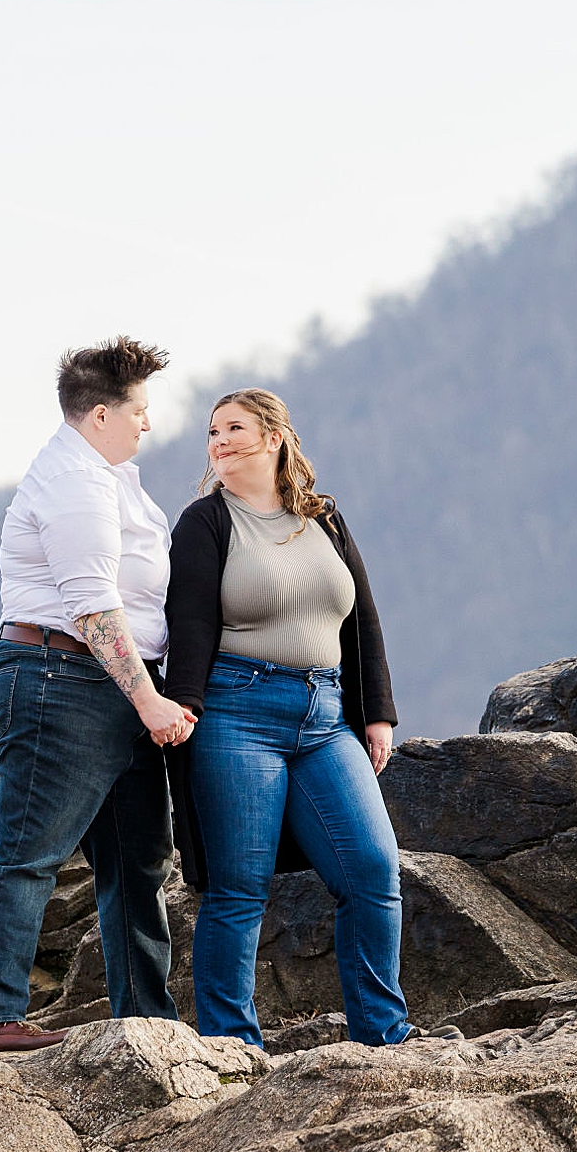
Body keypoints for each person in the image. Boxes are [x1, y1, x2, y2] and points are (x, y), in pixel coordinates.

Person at [0, 336, 197, 1053]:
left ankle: (143, 1016)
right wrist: (149, 701)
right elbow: (91, 606)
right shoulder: (75, 484)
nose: (147, 421)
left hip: (110, 685)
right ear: (100, 415)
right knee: (30, 847)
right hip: (63, 678)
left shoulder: (111, 478)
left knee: (137, 858)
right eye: (138, 410)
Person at [165, 389, 434, 1048]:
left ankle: (384, 1035)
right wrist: (183, 707)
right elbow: (189, 623)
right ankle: (234, 1048)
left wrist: (377, 715)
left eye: (234, 428)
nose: (219, 441)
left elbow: (361, 619)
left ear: (275, 437)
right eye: (212, 432)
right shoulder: (205, 522)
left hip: (326, 717)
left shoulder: (324, 518)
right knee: (238, 888)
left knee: (372, 871)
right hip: (237, 714)